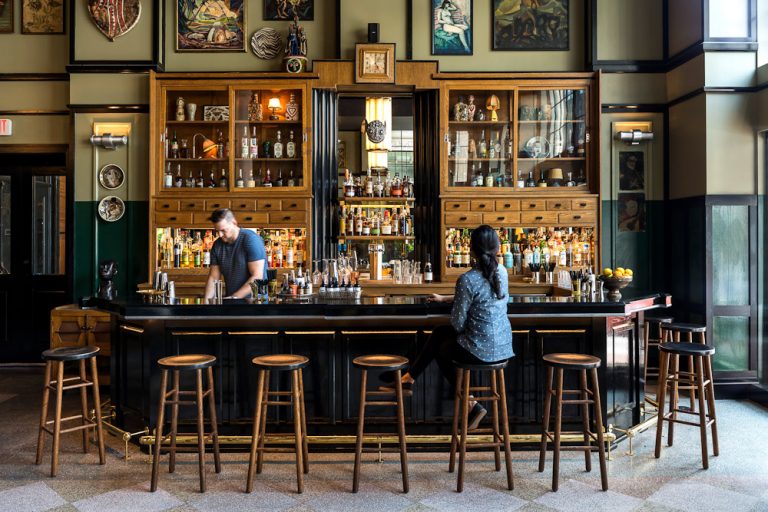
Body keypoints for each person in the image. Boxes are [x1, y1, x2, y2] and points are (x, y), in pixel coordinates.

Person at [381, 225, 514, 428]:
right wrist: (446, 299)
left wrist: (460, 307)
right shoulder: (503, 272)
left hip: (480, 351)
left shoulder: (467, 279)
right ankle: (409, 377)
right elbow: (484, 296)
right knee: (438, 332)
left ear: (471, 250)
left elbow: (457, 323)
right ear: (497, 248)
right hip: (504, 348)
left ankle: (470, 402)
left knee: (441, 348)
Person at [204, 208, 266, 299]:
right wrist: (206, 303)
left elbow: (257, 277)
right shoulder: (217, 245)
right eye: (217, 231)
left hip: (256, 302)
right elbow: (213, 278)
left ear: (234, 223)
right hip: (233, 302)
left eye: (223, 230)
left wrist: (234, 297)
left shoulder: (251, 240)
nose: (220, 235)